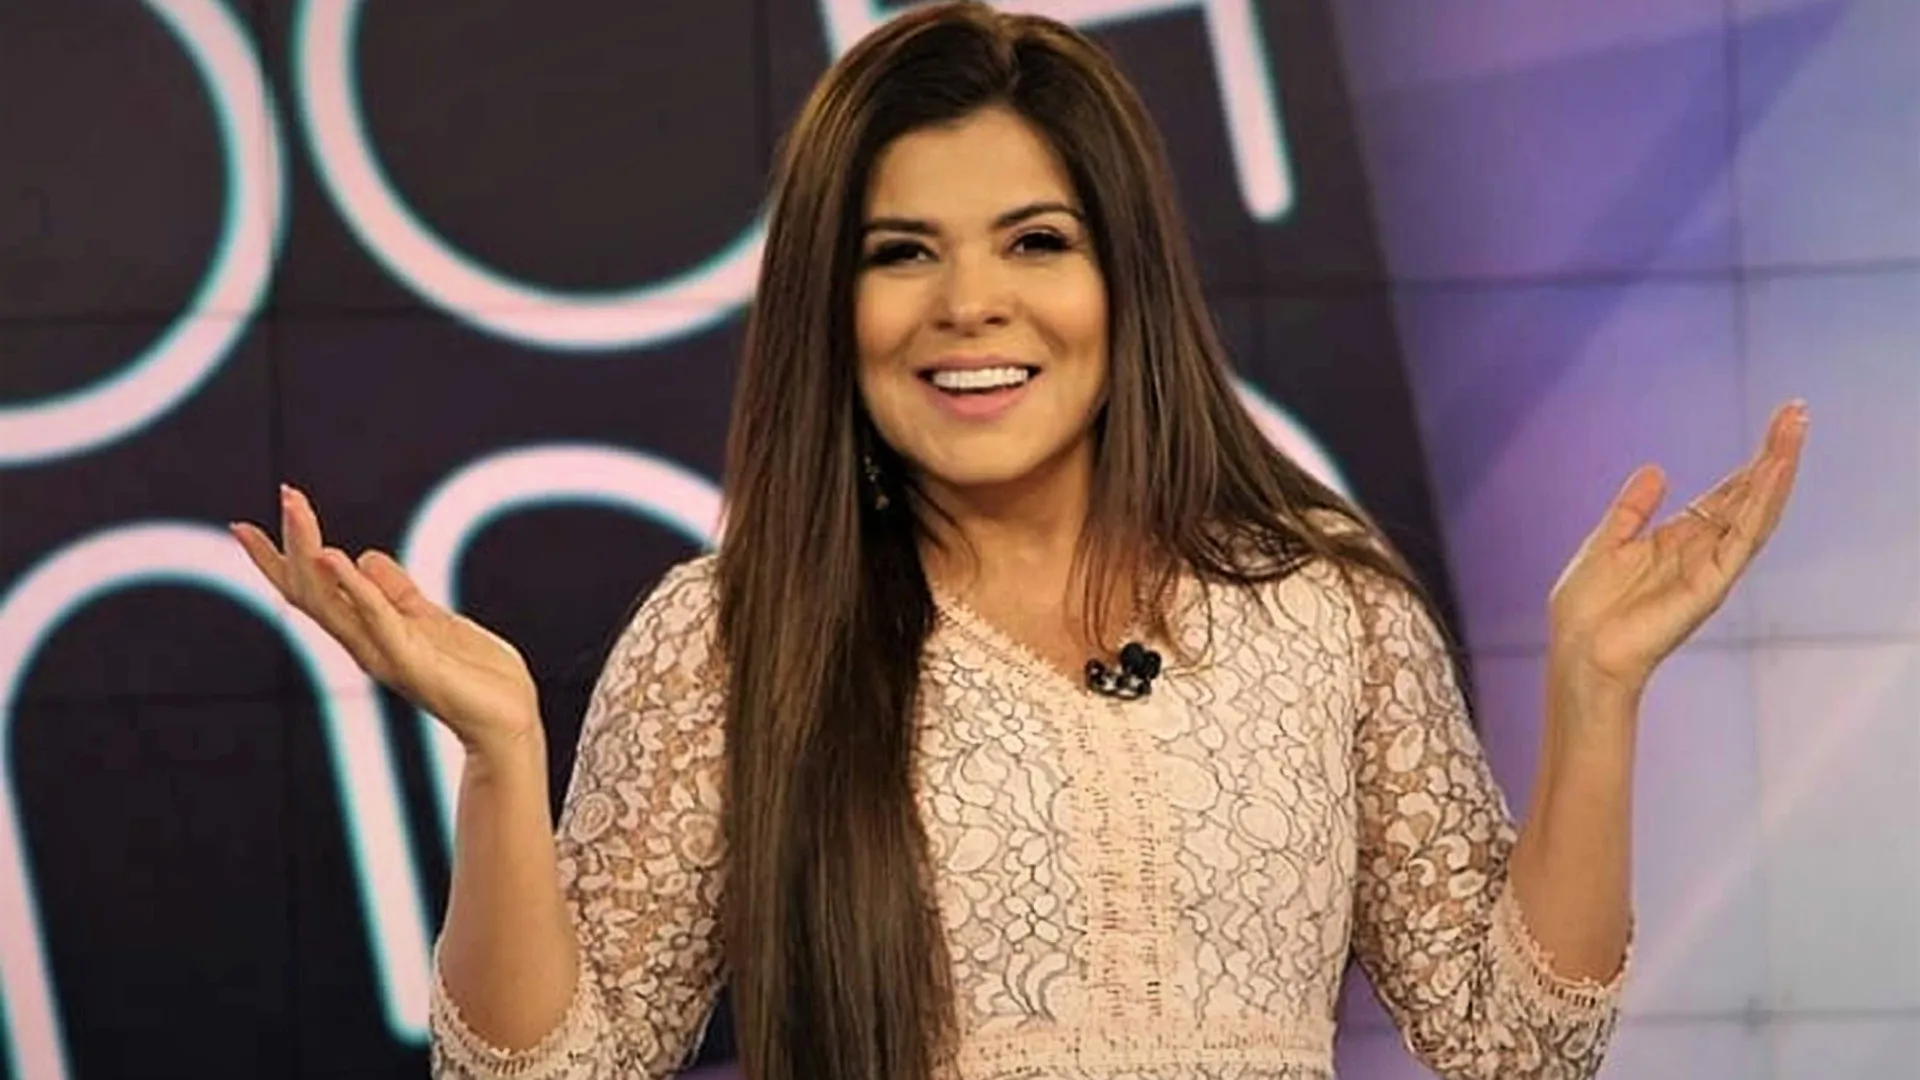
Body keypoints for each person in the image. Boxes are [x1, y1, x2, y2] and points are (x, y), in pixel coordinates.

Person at [231, 3, 1808, 1079]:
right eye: (901, 254)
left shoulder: (1326, 609)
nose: (970, 305)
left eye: (1035, 242)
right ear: (832, 307)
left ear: (1125, 279)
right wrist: (502, 757)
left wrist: (1596, 694)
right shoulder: (733, 639)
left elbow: (1514, 1046)